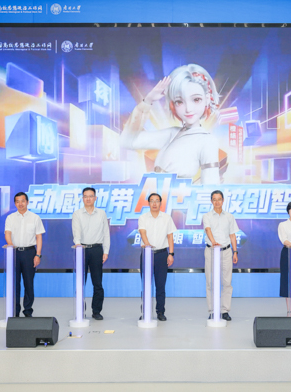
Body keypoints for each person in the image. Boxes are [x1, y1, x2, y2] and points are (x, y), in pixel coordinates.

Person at [119, 64, 220, 184]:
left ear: (207, 99)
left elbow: (210, 186)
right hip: (156, 193)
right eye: (179, 101)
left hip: (178, 194)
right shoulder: (172, 133)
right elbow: (127, 141)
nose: (188, 109)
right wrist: (148, 101)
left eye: (196, 99)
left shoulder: (207, 141)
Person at [72, 187, 111, 321]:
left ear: (95, 198)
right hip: (81, 250)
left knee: (97, 283)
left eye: (90, 196)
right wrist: (78, 244)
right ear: (82, 198)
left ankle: (96, 311)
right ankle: (80, 310)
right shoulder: (77, 214)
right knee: (80, 283)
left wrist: (106, 251)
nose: (88, 199)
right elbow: (76, 232)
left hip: (96, 250)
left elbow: (106, 233)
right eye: (85, 196)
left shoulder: (101, 213)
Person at [4, 192, 45, 317]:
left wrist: (38, 254)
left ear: (27, 202)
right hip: (14, 253)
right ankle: (14, 312)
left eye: (22, 201)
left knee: (28, 283)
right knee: (14, 284)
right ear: (15, 203)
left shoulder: (35, 217)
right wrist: (11, 246)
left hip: (29, 253)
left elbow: (39, 237)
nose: (20, 203)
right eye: (17, 201)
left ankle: (27, 311)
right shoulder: (10, 218)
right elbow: (7, 233)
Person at [137, 193, 177, 321]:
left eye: (157, 201)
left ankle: (160, 312)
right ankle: (145, 312)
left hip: (161, 255)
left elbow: (170, 236)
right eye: (152, 201)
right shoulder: (143, 217)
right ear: (148, 203)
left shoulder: (167, 218)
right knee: (146, 285)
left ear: (160, 203)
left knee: (160, 285)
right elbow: (142, 232)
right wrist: (147, 245)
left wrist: (171, 254)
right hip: (146, 254)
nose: (154, 203)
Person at [202, 190, 239, 321]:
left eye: (219, 199)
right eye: (214, 199)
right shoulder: (207, 216)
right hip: (211, 251)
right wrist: (214, 242)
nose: (217, 202)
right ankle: (212, 311)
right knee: (210, 282)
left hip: (226, 251)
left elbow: (232, 235)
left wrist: (235, 252)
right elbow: (208, 230)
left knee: (227, 282)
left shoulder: (229, 216)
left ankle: (224, 311)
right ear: (211, 201)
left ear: (223, 200)